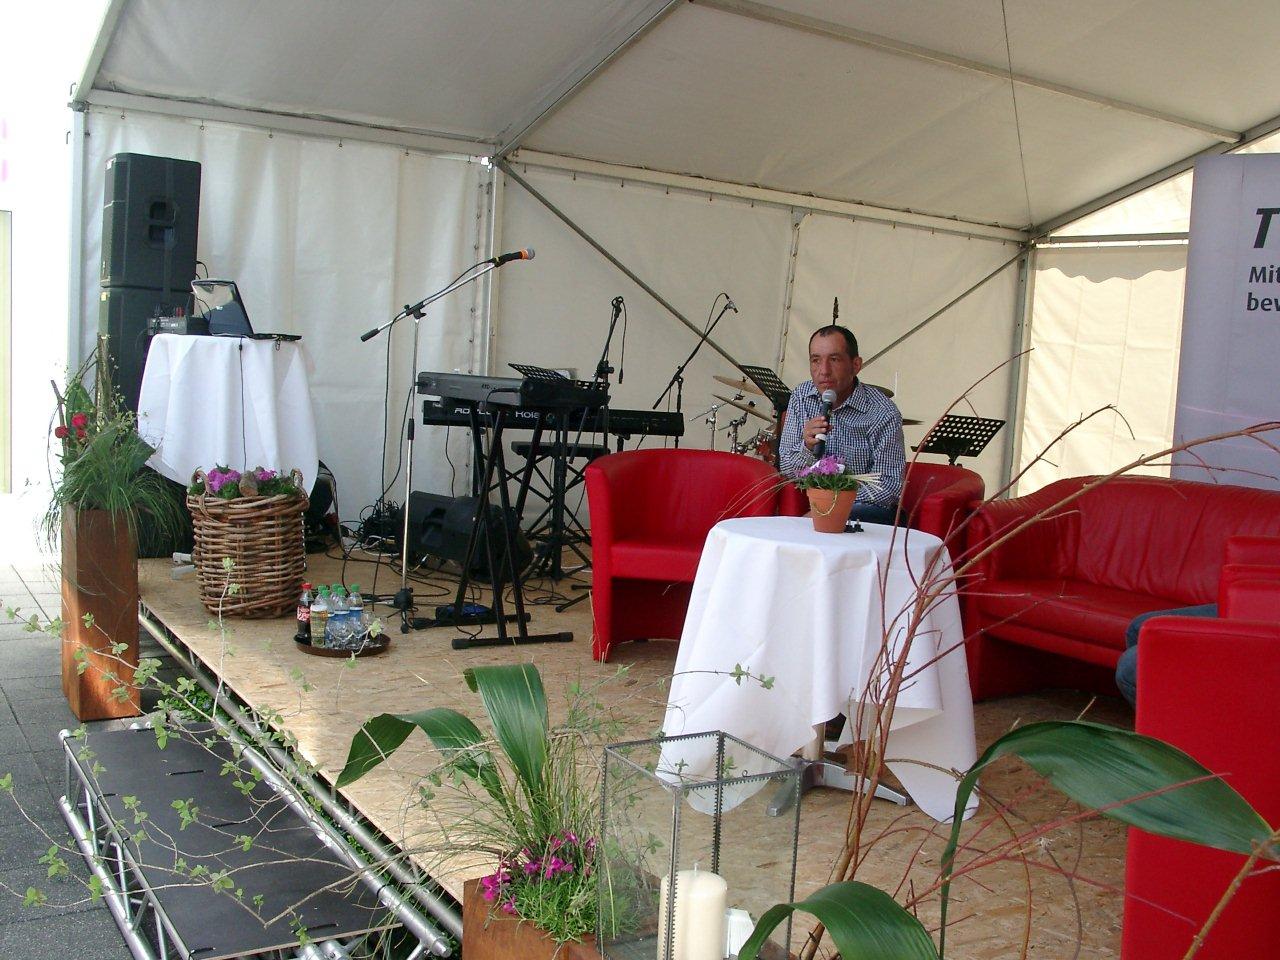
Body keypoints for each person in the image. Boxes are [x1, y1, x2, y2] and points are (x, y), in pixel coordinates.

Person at [778, 324, 906, 525]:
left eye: (834, 359)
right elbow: (786, 468)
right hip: (814, 504)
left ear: (856, 365)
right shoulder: (801, 396)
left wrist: (833, 505)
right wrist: (807, 448)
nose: (824, 371)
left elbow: (889, 486)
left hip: (866, 513)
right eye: (816, 360)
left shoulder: (883, 412)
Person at [1114, 603, 1217, 707]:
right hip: (1224, 604)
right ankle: (1161, 711)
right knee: (1138, 627)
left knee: (1129, 667)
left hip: (1228, 619)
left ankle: (1173, 713)